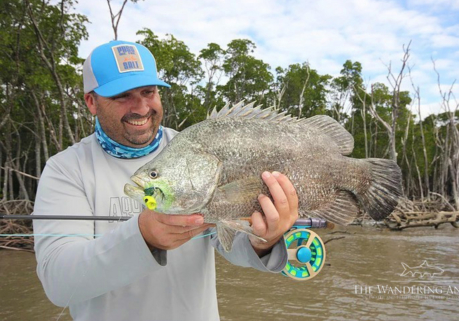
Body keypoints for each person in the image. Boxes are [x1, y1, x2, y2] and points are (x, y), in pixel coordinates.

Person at [33, 40, 299, 321]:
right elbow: (58, 283)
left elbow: (228, 243)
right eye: (122, 95)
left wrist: (264, 241)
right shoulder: (65, 169)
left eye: (148, 92)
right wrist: (143, 237)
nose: (141, 107)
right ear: (91, 102)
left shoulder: (192, 148)